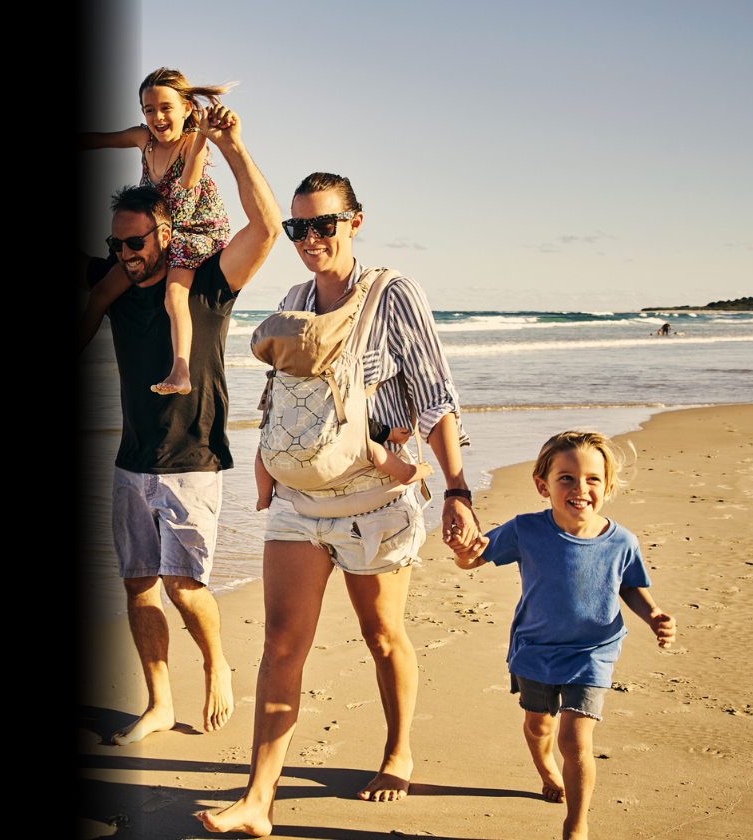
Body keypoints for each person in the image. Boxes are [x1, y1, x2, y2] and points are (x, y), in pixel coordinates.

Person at [201, 173, 478, 836]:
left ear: (354, 222)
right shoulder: (295, 297)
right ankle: (258, 800)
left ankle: (398, 751)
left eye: (323, 224)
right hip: (299, 500)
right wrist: (266, 466)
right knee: (281, 644)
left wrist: (459, 491)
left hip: (376, 500)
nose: (309, 239)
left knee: (382, 636)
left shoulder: (392, 294)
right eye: (298, 228)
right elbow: (283, 393)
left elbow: (436, 395)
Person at [76, 103, 279, 745]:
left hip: (192, 462)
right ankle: (159, 703)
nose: (126, 254)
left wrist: (235, 146)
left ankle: (217, 665)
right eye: (116, 245)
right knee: (139, 586)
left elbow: (268, 228)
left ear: (166, 233)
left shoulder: (208, 287)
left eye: (136, 243)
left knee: (185, 588)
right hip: (130, 462)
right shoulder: (115, 279)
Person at [452, 430, 676, 840]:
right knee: (539, 727)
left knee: (574, 739)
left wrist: (654, 614)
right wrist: (463, 549)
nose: (580, 488)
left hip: (593, 651)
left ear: (608, 487)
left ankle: (576, 825)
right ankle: (545, 769)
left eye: (592, 479)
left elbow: (630, 586)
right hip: (535, 649)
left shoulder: (622, 541)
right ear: (544, 485)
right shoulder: (525, 530)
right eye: (566, 478)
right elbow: (474, 559)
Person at [78, 67, 235, 396]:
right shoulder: (143, 139)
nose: (158, 117)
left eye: (166, 108)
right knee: (102, 292)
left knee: (174, 293)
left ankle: (181, 370)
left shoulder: (193, 142)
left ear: (186, 109)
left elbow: (188, 184)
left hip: (192, 230)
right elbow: (97, 139)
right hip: (151, 236)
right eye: (150, 110)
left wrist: (205, 134)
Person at [253, 419, 432, 512]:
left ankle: (263, 498)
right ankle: (407, 472)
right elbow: (358, 423)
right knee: (370, 448)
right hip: (323, 443)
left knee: (263, 450)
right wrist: (389, 433)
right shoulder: (330, 379)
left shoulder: (284, 375)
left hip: (290, 426)